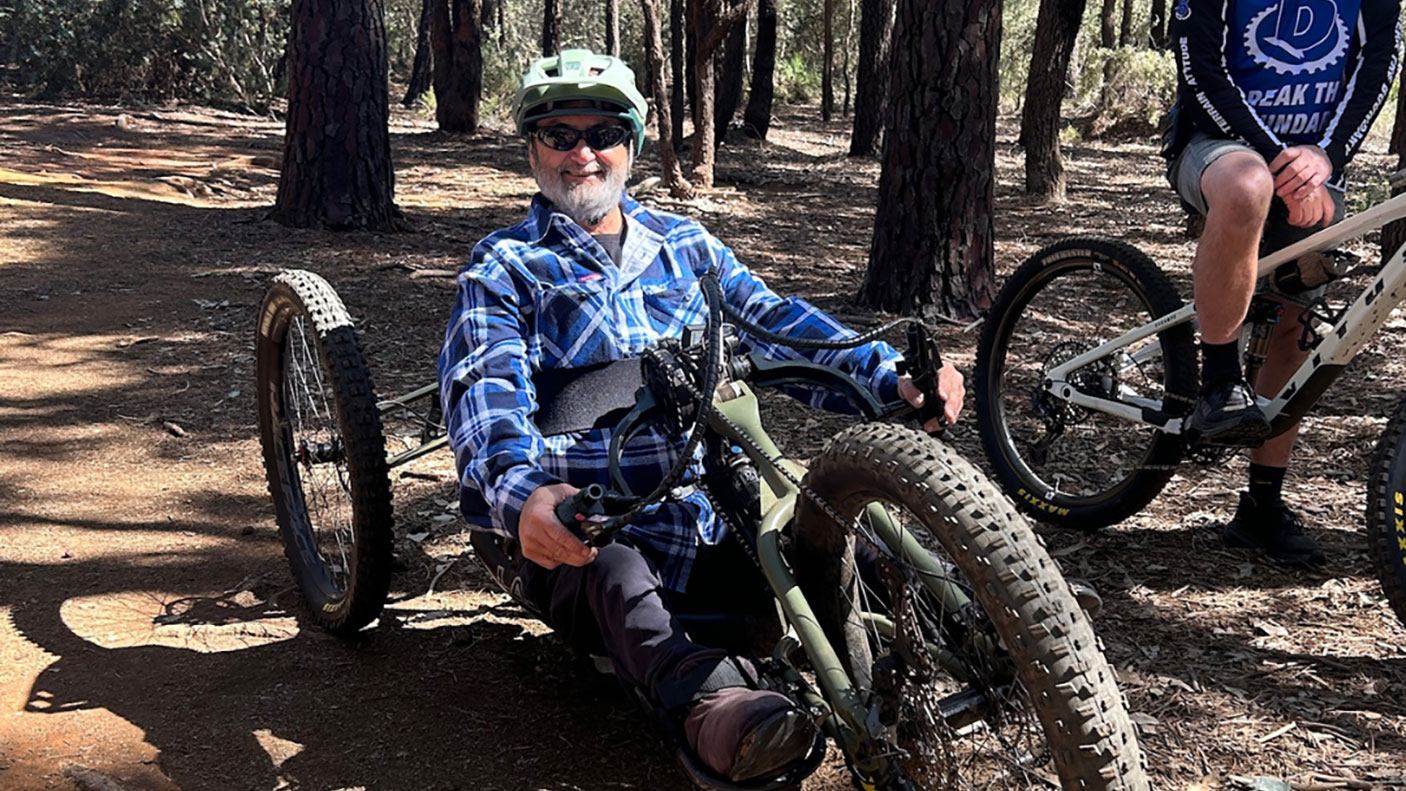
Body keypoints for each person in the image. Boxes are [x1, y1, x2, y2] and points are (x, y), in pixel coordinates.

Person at [437, 49, 964, 783]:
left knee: (828, 531)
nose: (583, 153)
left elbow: (779, 326)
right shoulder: (505, 268)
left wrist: (889, 377)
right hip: (594, 521)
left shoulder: (686, 246)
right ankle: (716, 706)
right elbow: (485, 392)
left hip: (720, 503)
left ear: (632, 146)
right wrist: (521, 492)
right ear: (533, 149)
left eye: (603, 134)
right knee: (613, 569)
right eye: (559, 135)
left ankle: (994, 627)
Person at [1165, 0, 1401, 565]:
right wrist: (1277, 161)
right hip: (1217, 145)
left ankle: (1262, 506)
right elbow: (1201, 76)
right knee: (1247, 187)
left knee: (1295, 321)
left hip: (1314, 164)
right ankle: (1219, 380)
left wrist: (1327, 156)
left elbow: (1377, 65)